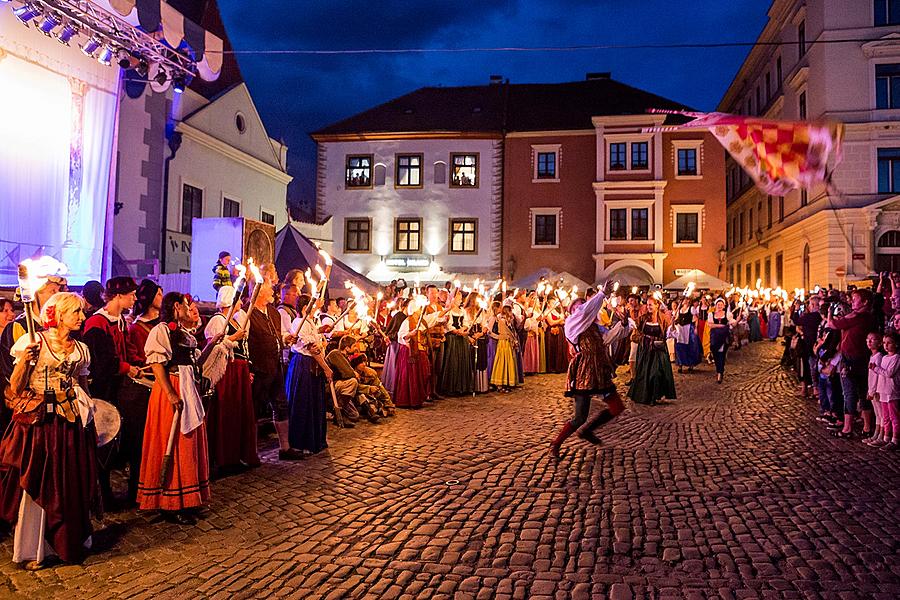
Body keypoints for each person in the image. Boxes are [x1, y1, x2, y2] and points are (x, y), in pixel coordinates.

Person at [0, 292, 100, 568]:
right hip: (42, 424)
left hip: (71, 425)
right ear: (58, 315)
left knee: (70, 482)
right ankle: (36, 549)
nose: (81, 317)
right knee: (42, 482)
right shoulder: (34, 342)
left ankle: (70, 541)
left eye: (81, 312)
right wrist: (24, 361)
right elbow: (16, 388)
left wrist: (90, 418)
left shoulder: (81, 349)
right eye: (75, 312)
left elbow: (83, 385)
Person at [137, 293, 211, 524]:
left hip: (187, 388)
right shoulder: (162, 331)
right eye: (187, 306)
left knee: (188, 442)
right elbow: (157, 363)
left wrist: (215, 343)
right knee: (175, 442)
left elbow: (194, 363)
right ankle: (171, 503)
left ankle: (189, 500)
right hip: (174, 388)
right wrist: (170, 393)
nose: (190, 309)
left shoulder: (182, 333)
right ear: (177, 306)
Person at [549, 288, 626, 457]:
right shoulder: (571, 325)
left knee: (617, 407)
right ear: (572, 312)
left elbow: (611, 337)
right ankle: (556, 443)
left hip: (599, 370)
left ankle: (588, 431)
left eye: (583, 304)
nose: (581, 307)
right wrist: (601, 294)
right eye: (577, 306)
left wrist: (624, 324)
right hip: (583, 372)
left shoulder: (595, 327)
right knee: (579, 418)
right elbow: (583, 313)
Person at [82, 276, 139, 507]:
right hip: (103, 390)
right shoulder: (97, 323)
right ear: (118, 295)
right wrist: (126, 368)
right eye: (131, 294)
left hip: (119, 387)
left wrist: (136, 362)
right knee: (104, 442)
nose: (135, 298)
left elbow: (127, 349)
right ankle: (104, 495)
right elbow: (102, 362)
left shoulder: (121, 320)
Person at [204, 286, 258, 471]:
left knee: (238, 411)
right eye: (238, 300)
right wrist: (234, 337)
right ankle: (224, 457)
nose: (241, 303)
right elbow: (215, 348)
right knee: (227, 411)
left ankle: (237, 455)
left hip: (238, 370)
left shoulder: (234, 321)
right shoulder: (217, 321)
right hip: (227, 372)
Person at [249, 280, 304, 461]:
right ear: (257, 292)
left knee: (281, 405)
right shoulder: (248, 314)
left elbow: (277, 335)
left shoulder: (273, 312)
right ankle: (251, 451)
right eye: (268, 288)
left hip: (276, 365)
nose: (273, 290)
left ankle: (285, 448)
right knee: (254, 409)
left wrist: (286, 339)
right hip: (259, 368)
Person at [119, 279, 162, 504]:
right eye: (158, 294)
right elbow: (134, 355)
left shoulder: (164, 324)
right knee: (141, 440)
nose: (161, 298)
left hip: (162, 385)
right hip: (144, 388)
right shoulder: (136, 328)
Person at [286, 294, 333, 455]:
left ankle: (315, 440)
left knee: (314, 402)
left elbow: (317, 344)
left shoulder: (310, 322)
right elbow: (312, 349)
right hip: (304, 366)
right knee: (303, 402)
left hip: (313, 366)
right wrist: (326, 368)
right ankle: (302, 442)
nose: (316, 310)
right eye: (313, 307)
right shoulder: (299, 323)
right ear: (305, 308)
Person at [829, 289, 876, 438]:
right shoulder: (869, 317)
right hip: (863, 358)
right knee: (863, 393)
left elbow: (833, 324)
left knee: (849, 393)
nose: (852, 301)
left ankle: (847, 428)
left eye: (855, 299)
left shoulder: (857, 317)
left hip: (851, 359)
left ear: (865, 302)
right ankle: (867, 427)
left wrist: (830, 313)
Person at [628, 296, 676, 405]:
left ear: (657, 305)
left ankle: (655, 396)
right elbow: (635, 329)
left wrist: (672, 325)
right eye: (647, 305)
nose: (648, 307)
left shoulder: (663, 318)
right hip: (646, 350)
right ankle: (647, 396)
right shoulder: (643, 318)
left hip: (659, 351)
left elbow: (668, 334)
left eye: (651, 304)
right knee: (645, 373)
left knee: (656, 374)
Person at [439, 291, 474, 395]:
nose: (460, 301)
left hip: (462, 338)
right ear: (453, 299)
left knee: (462, 360)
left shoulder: (462, 311)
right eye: (458, 298)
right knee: (453, 361)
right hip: (453, 338)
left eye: (461, 299)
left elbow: (466, 322)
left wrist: (463, 329)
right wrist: (455, 331)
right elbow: (447, 325)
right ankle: (452, 387)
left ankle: (462, 387)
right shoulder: (448, 311)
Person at [394, 303, 427, 409]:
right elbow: (401, 336)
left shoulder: (420, 321)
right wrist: (410, 334)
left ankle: (416, 399)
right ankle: (406, 400)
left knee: (416, 375)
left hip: (416, 351)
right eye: (419, 309)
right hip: (408, 351)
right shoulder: (407, 321)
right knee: (407, 375)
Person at [872, 332, 899, 449]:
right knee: (886, 416)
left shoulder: (896, 358)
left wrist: (876, 368)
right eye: (884, 343)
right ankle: (886, 437)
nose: (886, 345)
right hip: (883, 390)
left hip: (891, 391)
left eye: (889, 343)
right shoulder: (884, 357)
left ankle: (895, 439)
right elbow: (880, 375)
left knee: (894, 417)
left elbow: (889, 373)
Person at [489, 305, 519, 392]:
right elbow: (501, 332)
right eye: (510, 311)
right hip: (503, 344)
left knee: (508, 362)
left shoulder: (508, 321)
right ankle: (500, 384)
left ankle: (507, 382)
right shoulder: (502, 321)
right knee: (502, 362)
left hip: (508, 343)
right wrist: (501, 337)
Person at [707, 298, 732, 384]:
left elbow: (733, 323)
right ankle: (719, 370)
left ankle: (720, 373)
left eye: (721, 304)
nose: (720, 306)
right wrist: (721, 325)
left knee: (721, 354)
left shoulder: (727, 314)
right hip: (715, 337)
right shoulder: (711, 314)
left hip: (723, 337)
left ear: (724, 306)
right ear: (716, 305)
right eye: (718, 304)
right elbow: (710, 325)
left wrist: (739, 319)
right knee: (716, 354)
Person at [544, 298, 568, 374]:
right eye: (553, 302)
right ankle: (552, 367)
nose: (554, 304)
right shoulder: (547, 312)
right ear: (548, 304)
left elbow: (563, 319)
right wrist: (559, 321)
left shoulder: (556, 311)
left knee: (559, 349)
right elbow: (551, 323)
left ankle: (559, 367)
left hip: (559, 332)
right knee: (553, 349)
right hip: (551, 333)